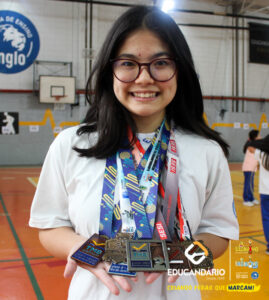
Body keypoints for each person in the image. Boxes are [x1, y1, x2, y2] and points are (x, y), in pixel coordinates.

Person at [29, 6, 239, 300]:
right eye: (128, 63)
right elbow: (49, 227)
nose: (144, 78)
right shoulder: (70, 145)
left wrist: (181, 255)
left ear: (180, 70)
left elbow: (219, 234)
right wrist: (81, 248)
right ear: (109, 71)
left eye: (161, 62)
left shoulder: (206, 151)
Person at [249, 135, 269, 254]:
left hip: (265, 191)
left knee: (266, 218)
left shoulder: (261, 154)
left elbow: (250, 147)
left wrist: (261, 144)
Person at [242, 130, 260, 206]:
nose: (260, 137)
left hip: (252, 169)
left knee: (251, 184)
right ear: (255, 137)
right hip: (248, 168)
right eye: (259, 135)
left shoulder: (253, 144)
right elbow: (257, 152)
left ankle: (251, 198)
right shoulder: (250, 146)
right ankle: (246, 200)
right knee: (248, 184)